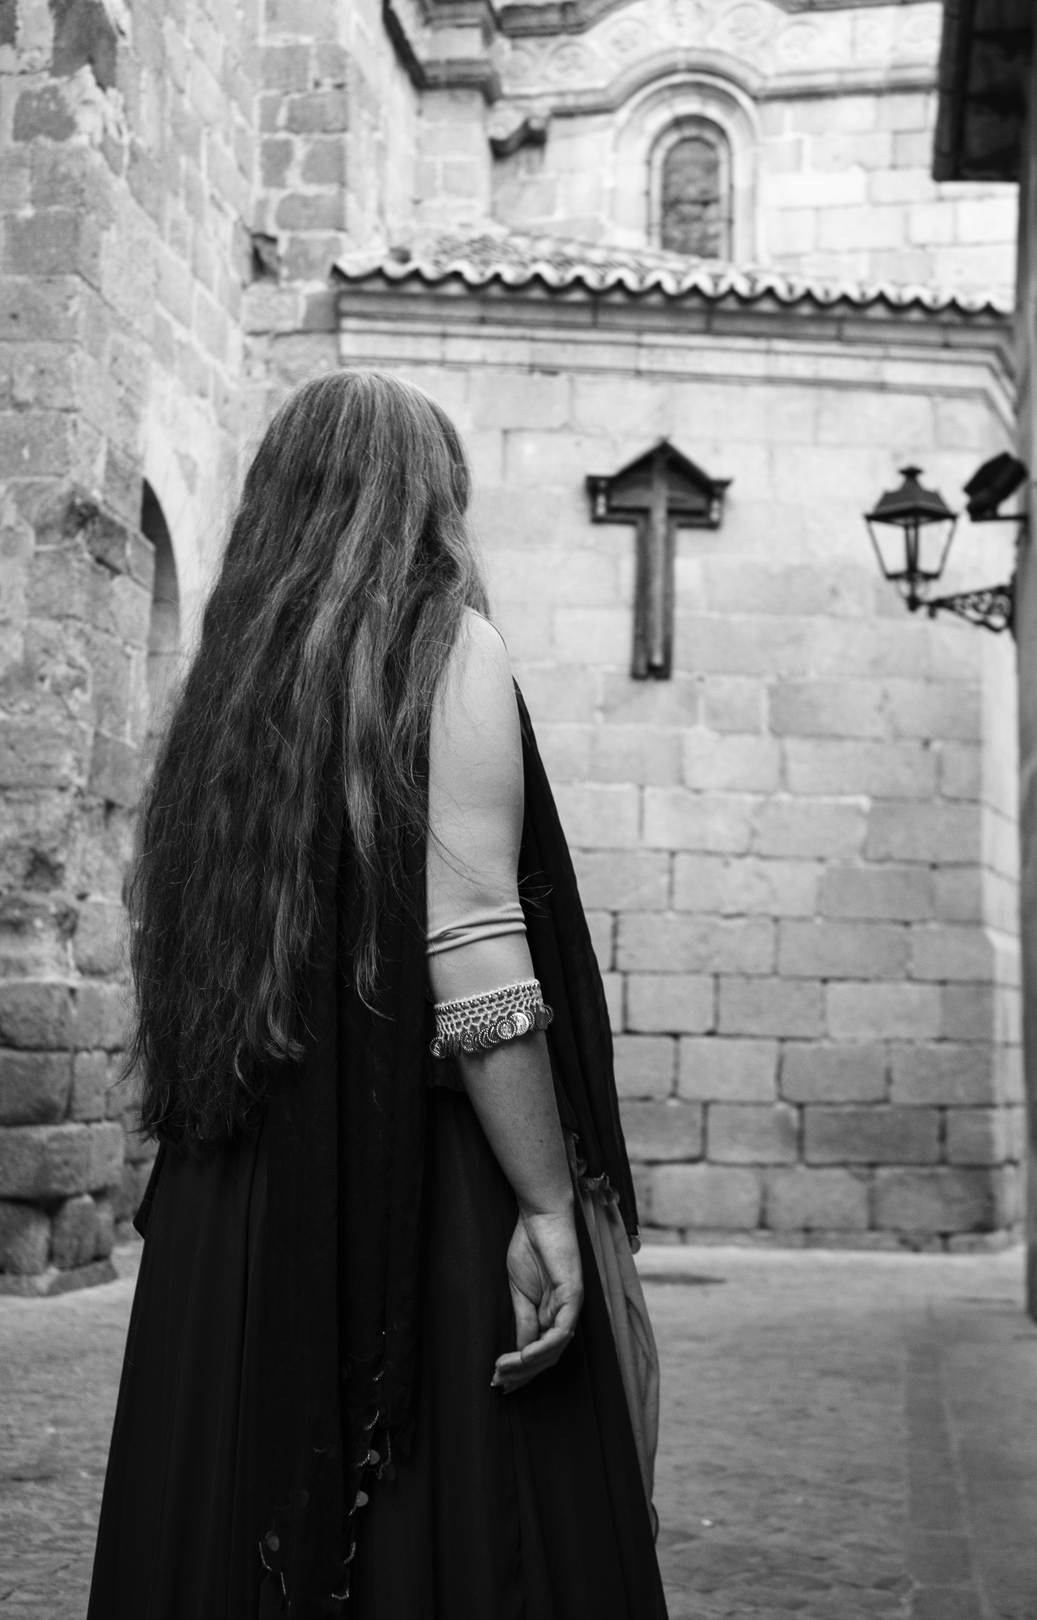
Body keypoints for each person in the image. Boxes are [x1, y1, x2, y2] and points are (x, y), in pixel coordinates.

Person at [87, 370, 668, 1620]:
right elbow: (474, 954)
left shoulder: (233, 687)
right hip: (409, 1184)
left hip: (232, 1205)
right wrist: (550, 1207)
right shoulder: (448, 645)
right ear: (429, 505)